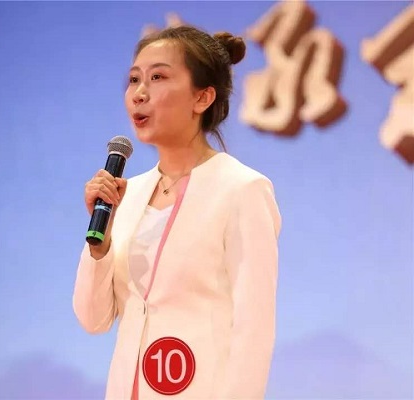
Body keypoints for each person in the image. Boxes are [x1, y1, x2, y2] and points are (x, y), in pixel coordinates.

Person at [73, 25, 282, 400]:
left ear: (202, 97)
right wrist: (98, 248)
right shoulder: (127, 195)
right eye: (134, 79)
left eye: (157, 78)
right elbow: (93, 319)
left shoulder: (242, 189)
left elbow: (254, 329)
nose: (139, 93)